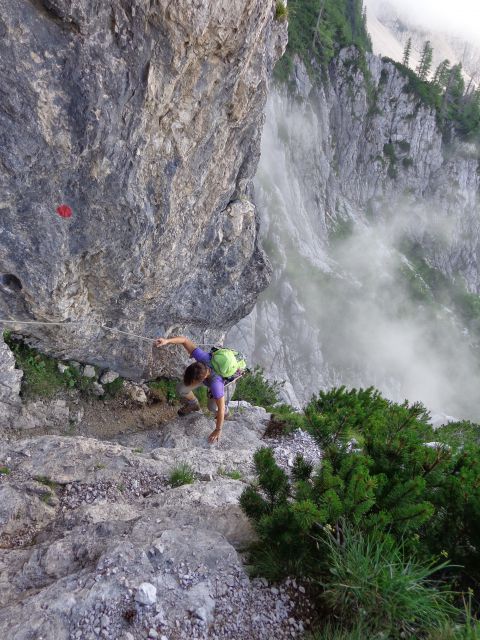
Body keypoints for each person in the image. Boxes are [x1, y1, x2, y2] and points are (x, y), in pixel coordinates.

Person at [154, 335, 237, 443]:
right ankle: (193, 404)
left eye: (194, 382)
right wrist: (166, 341)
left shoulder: (216, 384)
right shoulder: (202, 358)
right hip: (206, 377)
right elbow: (184, 340)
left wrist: (217, 430)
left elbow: (219, 408)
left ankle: (227, 414)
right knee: (181, 388)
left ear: (201, 379)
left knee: (212, 407)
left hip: (216, 381)